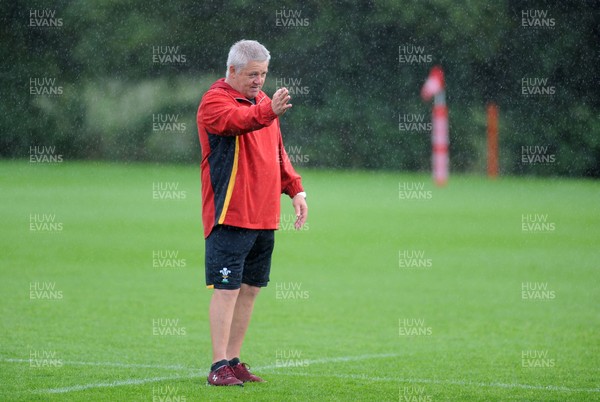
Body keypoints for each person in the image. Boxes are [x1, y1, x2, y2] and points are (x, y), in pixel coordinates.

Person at [196, 39, 308, 386]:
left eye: (263, 74)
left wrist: (295, 189)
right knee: (226, 290)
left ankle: (233, 360)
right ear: (231, 70)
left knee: (250, 290)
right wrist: (268, 111)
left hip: (264, 216)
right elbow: (238, 122)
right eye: (252, 74)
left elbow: (278, 152)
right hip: (231, 215)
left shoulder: (263, 102)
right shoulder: (215, 101)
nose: (259, 81)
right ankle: (217, 367)